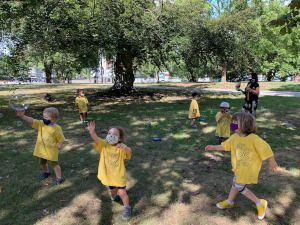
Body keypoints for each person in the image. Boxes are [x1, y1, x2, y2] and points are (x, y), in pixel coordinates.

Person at [205, 112, 278, 220]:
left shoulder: (253, 138)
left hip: (248, 168)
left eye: (235, 122)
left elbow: (265, 148)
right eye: (232, 121)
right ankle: (229, 201)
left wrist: (271, 161)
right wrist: (213, 147)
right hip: (239, 167)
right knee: (235, 183)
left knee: (239, 186)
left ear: (245, 124)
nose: (232, 124)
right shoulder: (235, 137)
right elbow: (225, 146)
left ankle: (259, 203)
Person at [86, 121, 132, 220]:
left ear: (119, 138)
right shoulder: (104, 145)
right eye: (109, 133)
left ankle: (127, 208)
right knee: (113, 193)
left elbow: (129, 153)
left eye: (114, 134)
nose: (111, 135)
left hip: (119, 175)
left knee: (122, 193)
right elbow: (96, 139)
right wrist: (92, 132)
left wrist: (126, 147)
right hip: (109, 176)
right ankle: (114, 196)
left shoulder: (121, 147)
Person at [16, 107, 65, 186]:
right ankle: (46, 172)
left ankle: (59, 178)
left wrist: (60, 145)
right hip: (42, 149)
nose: (43, 119)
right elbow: (32, 120)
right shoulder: (41, 124)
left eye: (46, 117)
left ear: (53, 119)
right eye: (43, 117)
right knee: (42, 163)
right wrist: (22, 116)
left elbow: (61, 138)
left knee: (54, 164)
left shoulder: (57, 128)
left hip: (52, 150)